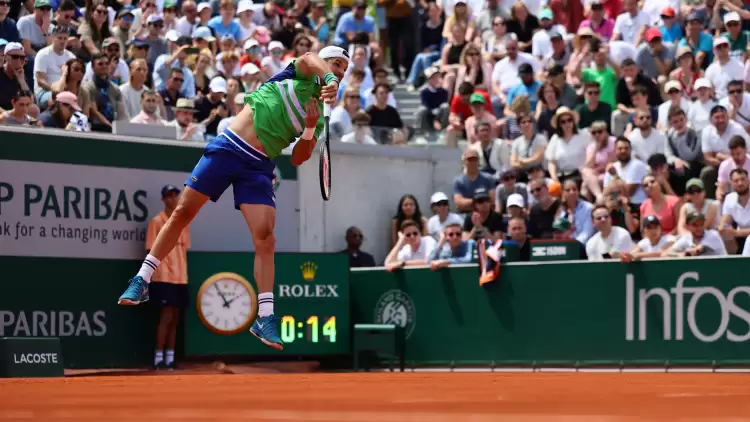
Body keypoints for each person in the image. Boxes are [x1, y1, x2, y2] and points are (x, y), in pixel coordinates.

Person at [117, 47, 349, 352]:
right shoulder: (300, 72)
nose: (341, 71)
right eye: (337, 64)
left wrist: (308, 128)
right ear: (324, 62)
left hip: (258, 167)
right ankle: (143, 278)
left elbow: (299, 158)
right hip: (230, 147)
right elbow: (307, 58)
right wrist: (328, 75)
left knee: (266, 238)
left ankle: (265, 317)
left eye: (344, 70)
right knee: (183, 211)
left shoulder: (320, 116)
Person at [147, 185, 190, 371]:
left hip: (180, 278)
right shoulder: (157, 222)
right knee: (165, 318)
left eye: (176, 196)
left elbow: (184, 248)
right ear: (164, 200)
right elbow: (151, 249)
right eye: (169, 196)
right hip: (163, 277)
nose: (173, 199)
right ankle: (158, 359)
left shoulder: (184, 222)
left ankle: (170, 358)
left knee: (175, 318)